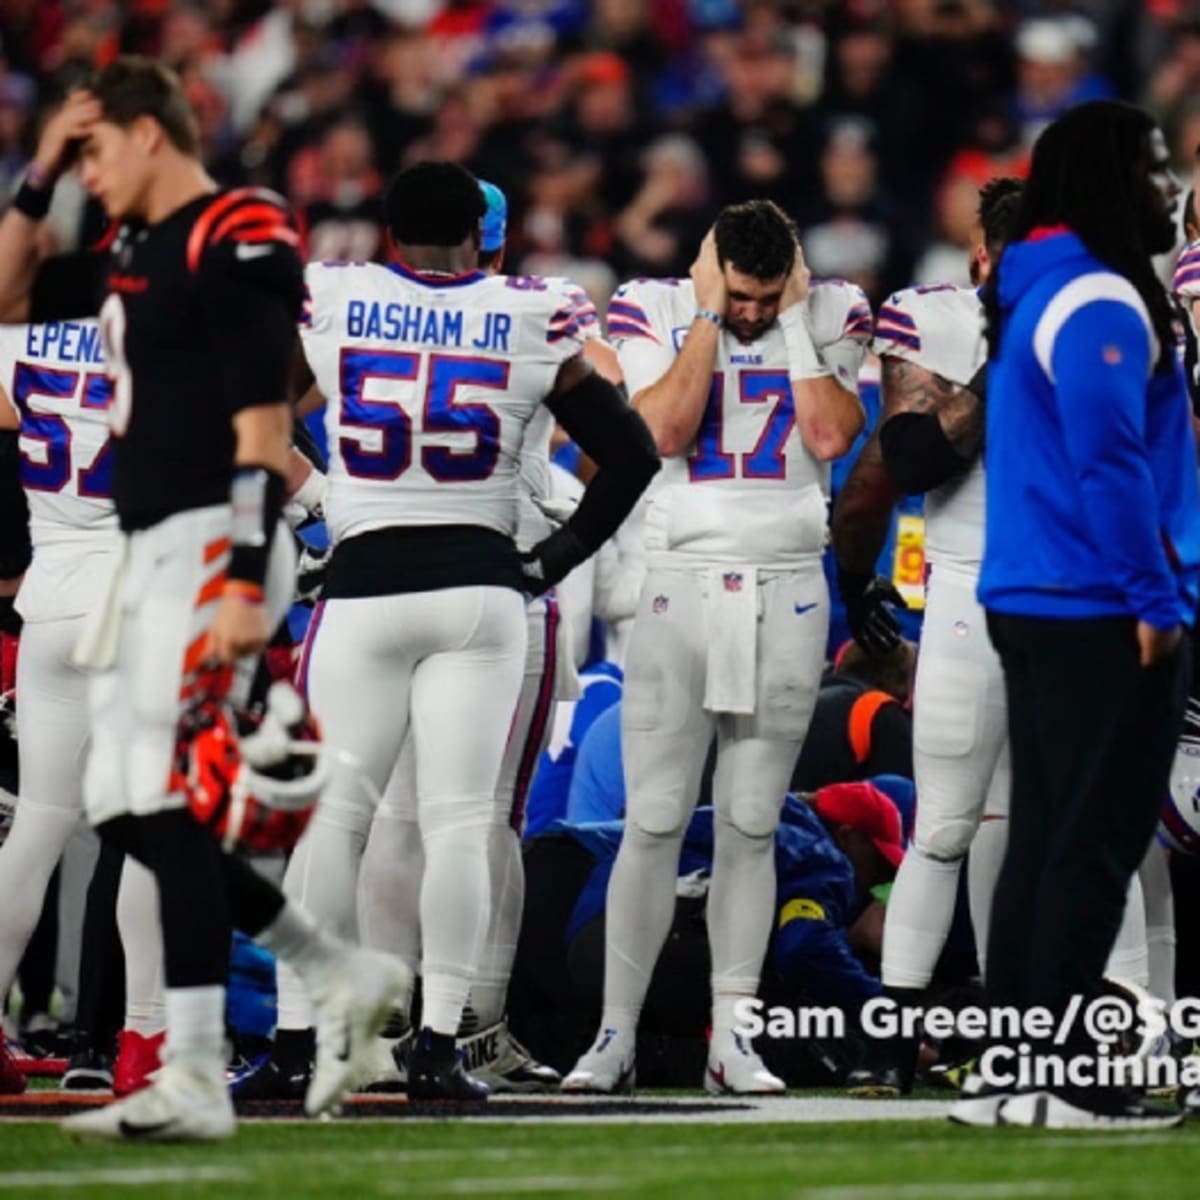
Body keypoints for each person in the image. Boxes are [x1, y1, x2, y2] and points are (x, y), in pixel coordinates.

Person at [0, 58, 412, 1140]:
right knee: (132, 809)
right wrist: (38, 170)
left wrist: (238, 569)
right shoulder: (136, 244)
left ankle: (193, 1062)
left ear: (146, 133)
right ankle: (334, 976)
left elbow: (263, 422)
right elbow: (4, 290)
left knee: (156, 805)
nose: (87, 172)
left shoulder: (240, 225)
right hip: (151, 551)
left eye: (93, 149)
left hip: (209, 546)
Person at [270, 160, 659, 1101]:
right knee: (458, 825)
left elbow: (250, 409)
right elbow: (632, 454)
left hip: (361, 586)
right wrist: (558, 557)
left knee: (333, 823)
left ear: (388, 234)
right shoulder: (533, 312)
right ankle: (441, 1044)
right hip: (483, 588)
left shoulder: (336, 295)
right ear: (482, 234)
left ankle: (294, 1042)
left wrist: (314, 496)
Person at [563, 200, 869, 1095]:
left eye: (766, 296)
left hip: (787, 584)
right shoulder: (656, 306)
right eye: (738, 294)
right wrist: (704, 314)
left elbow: (827, 437)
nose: (751, 311)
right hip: (681, 582)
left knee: (750, 824)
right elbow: (659, 430)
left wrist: (799, 327)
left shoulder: (831, 308)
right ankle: (613, 1035)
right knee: (653, 821)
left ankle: (732, 1037)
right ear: (712, 273)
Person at [960, 100, 1197, 1130]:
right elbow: (1111, 463)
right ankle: (1063, 1075)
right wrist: (1154, 599)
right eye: (1153, 168)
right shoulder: (1101, 298)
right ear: (1111, 180)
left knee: (1048, 841)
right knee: (1092, 848)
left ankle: (1010, 1066)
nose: (1172, 188)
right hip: (1098, 600)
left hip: (1036, 592)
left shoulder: (1038, 284)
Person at [831, 179, 1022, 1096]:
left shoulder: (1113, 319)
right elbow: (910, 461)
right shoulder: (937, 320)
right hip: (970, 596)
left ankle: (1041, 1028)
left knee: (1039, 828)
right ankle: (893, 1037)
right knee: (948, 823)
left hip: (1074, 600)